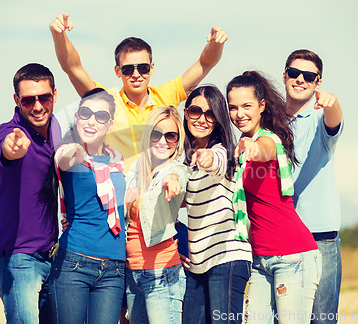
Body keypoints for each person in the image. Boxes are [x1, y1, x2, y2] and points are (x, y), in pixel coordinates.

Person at [49, 13, 227, 169]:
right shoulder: (105, 101)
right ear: (117, 71)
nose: (136, 75)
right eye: (127, 69)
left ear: (152, 68)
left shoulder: (166, 96)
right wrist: (59, 35)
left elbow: (204, 64)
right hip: (120, 200)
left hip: (159, 199)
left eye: (143, 68)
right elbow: (73, 67)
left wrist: (216, 44)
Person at [227, 71, 321, 324]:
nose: (240, 114)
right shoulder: (242, 147)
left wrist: (253, 148)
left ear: (262, 106)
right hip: (260, 259)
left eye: (247, 106)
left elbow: (265, 150)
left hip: (292, 256)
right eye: (233, 107)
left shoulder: (268, 140)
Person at [0, 63, 61, 324]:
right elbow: (5, 149)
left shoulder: (58, 131)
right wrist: (12, 149)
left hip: (55, 255)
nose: (38, 106)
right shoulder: (9, 133)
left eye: (44, 97)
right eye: (29, 100)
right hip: (19, 258)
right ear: (17, 100)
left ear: (54, 93)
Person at [47, 88, 126, 324]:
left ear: (110, 124)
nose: (92, 121)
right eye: (85, 113)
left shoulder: (117, 159)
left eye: (101, 116)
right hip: (74, 262)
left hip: (114, 267)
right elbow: (63, 158)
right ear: (77, 117)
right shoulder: (69, 153)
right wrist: (76, 150)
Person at [181, 85, 252, 324]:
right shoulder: (183, 159)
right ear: (186, 112)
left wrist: (207, 158)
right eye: (195, 111)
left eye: (210, 114)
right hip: (197, 263)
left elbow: (217, 162)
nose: (202, 119)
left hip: (228, 257)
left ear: (218, 119)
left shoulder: (222, 151)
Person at [282, 50, 343, 324]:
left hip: (320, 238)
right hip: (281, 239)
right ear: (285, 76)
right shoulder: (269, 125)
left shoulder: (321, 120)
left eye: (309, 76)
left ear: (318, 83)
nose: (300, 79)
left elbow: (334, 120)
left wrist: (332, 103)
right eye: (294, 73)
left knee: (322, 320)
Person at [125, 106, 188, 324]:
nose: (163, 141)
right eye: (156, 133)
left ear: (178, 139)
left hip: (161, 273)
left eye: (170, 135)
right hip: (133, 273)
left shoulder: (176, 168)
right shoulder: (136, 169)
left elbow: (177, 176)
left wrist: (171, 180)